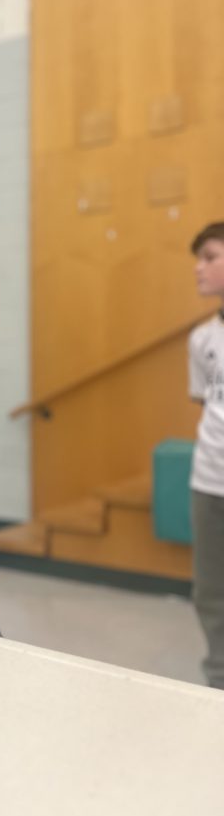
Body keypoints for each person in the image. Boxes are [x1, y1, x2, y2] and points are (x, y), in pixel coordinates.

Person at [189, 222, 224, 688]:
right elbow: (204, 404)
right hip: (209, 480)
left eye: (210, 257)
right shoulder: (202, 340)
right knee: (212, 593)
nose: (198, 269)